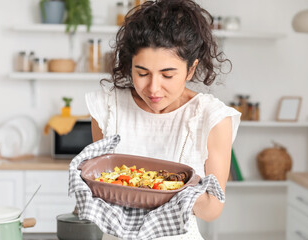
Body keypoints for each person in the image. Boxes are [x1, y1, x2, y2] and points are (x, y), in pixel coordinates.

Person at [85, 0, 241, 239]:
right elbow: (101, 185)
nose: (153, 88)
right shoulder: (108, 107)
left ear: (191, 69)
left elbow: (212, 209)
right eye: (142, 73)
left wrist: (170, 186)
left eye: (167, 74)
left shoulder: (213, 118)